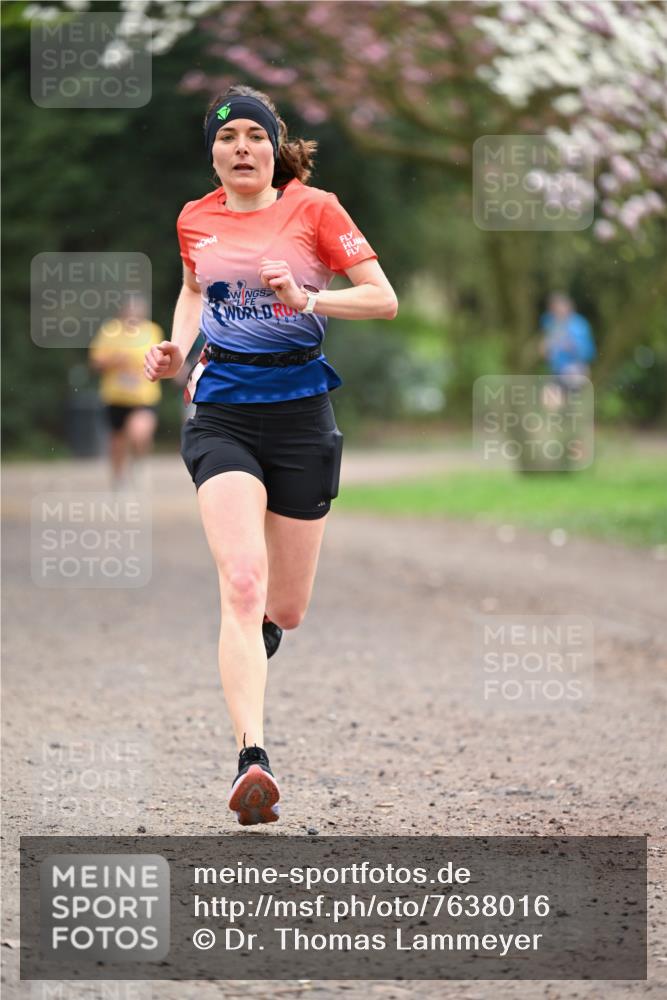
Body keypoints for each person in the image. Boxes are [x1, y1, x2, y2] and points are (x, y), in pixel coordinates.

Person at [144, 84, 398, 826]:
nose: (241, 148)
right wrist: (177, 349)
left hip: (299, 417)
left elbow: (382, 298)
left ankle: (257, 639)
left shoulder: (314, 210)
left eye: (255, 135)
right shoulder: (195, 217)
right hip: (220, 410)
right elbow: (194, 291)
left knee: (283, 606)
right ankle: (251, 757)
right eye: (228, 138)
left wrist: (308, 300)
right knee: (242, 579)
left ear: (274, 145)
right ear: (214, 152)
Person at [89, 293, 163, 490]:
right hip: (115, 396)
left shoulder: (153, 331)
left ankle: (139, 463)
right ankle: (118, 478)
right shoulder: (110, 331)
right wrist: (114, 361)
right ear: (122, 311)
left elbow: (160, 359)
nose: (134, 314)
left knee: (140, 433)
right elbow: (95, 362)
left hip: (144, 396)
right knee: (117, 441)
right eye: (130, 310)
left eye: (138, 310)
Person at [539, 292, 596, 392]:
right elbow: (545, 350)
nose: (557, 312)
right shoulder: (549, 322)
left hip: (575, 370)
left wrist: (573, 347)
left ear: (569, 308)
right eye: (554, 309)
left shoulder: (579, 325)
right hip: (555, 370)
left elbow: (589, 353)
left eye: (560, 308)